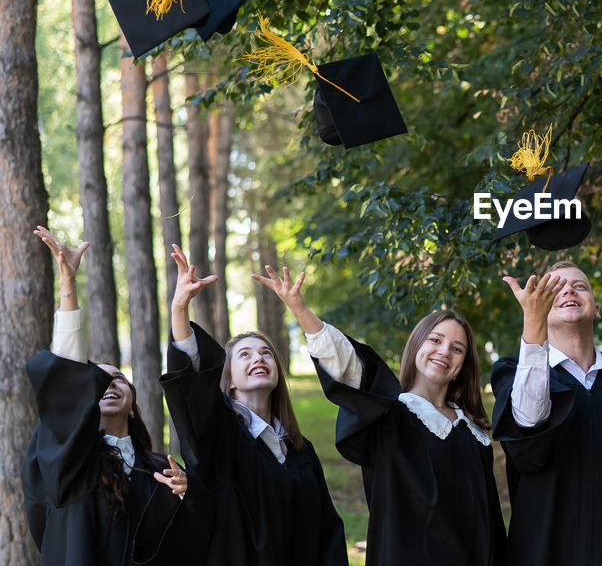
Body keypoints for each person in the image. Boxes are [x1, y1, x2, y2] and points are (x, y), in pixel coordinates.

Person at [252, 265, 506, 566]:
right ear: (417, 346)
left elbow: (490, 518)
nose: (444, 352)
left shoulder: (473, 433)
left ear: (464, 364)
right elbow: (349, 367)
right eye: (435, 340)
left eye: (457, 348)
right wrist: (301, 310)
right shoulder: (388, 415)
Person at [24, 227, 201, 566]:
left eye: (118, 378)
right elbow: (67, 383)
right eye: (98, 381)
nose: (108, 384)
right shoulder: (71, 465)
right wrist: (68, 287)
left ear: (133, 406)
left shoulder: (160, 468)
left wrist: (185, 495)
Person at [160, 246, 347, 566]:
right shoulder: (221, 436)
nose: (258, 358)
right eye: (244, 355)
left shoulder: (301, 451)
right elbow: (193, 390)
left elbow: (327, 532)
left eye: (265, 353)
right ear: (228, 378)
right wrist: (179, 310)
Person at [491, 262, 602, 566]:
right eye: (556, 288)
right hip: (544, 549)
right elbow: (528, 429)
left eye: (579, 286)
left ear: (596, 309)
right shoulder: (514, 372)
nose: (569, 289)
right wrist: (533, 324)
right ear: (542, 307)